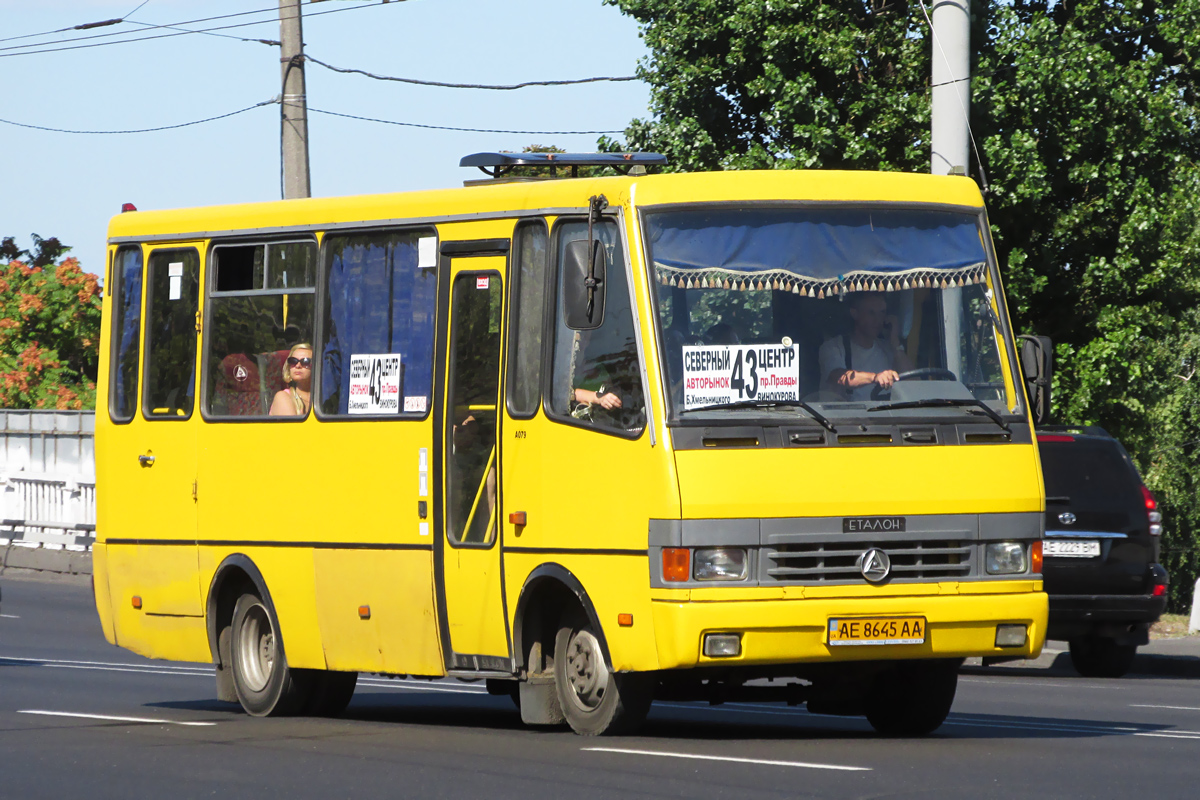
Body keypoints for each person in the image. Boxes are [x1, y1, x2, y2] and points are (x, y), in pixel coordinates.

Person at [819, 292, 913, 401]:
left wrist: (895, 343)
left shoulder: (888, 348)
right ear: (855, 314)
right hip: (845, 417)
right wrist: (875, 378)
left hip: (887, 416)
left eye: (882, 313)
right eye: (871, 313)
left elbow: (914, 382)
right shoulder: (833, 347)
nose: (878, 320)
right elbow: (840, 377)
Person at [270, 343, 313, 416]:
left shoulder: (322, 400)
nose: (298, 365)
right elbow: (293, 427)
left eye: (305, 361)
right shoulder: (282, 397)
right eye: (293, 361)